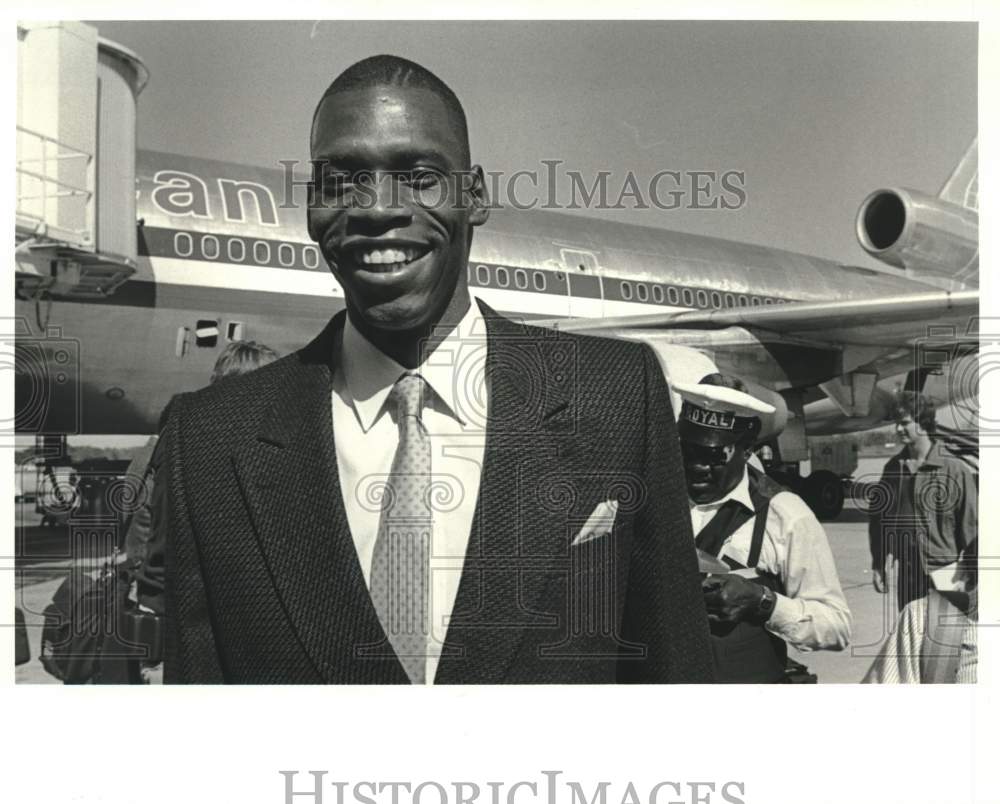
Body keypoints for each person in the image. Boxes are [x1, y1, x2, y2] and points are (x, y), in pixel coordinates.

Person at [155, 54, 713, 684]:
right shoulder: (208, 441)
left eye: (418, 175)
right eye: (343, 179)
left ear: (474, 197)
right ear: (313, 207)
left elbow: (676, 679)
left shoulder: (616, 396)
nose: (375, 210)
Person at [675, 373, 851, 683]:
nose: (696, 467)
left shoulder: (785, 514)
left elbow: (835, 626)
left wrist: (764, 603)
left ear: (746, 449)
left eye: (713, 455)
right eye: (688, 451)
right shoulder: (658, 498)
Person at [121, 340, 279, 683]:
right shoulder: (236, 448)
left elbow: (134, 515)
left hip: (156, 607)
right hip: (195, 618)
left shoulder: (163, 441)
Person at [868, 391, 977, 612]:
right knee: (910, 638)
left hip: (947, 571)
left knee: (945, 642)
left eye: (905, 423)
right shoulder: (893, 469)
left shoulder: (954, 470)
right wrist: (879, 563)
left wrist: (973, 571)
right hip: (908, 573)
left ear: (923, 422)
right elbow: (879, 521)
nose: (898, 429)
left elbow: (972, 525)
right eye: (897, 423)